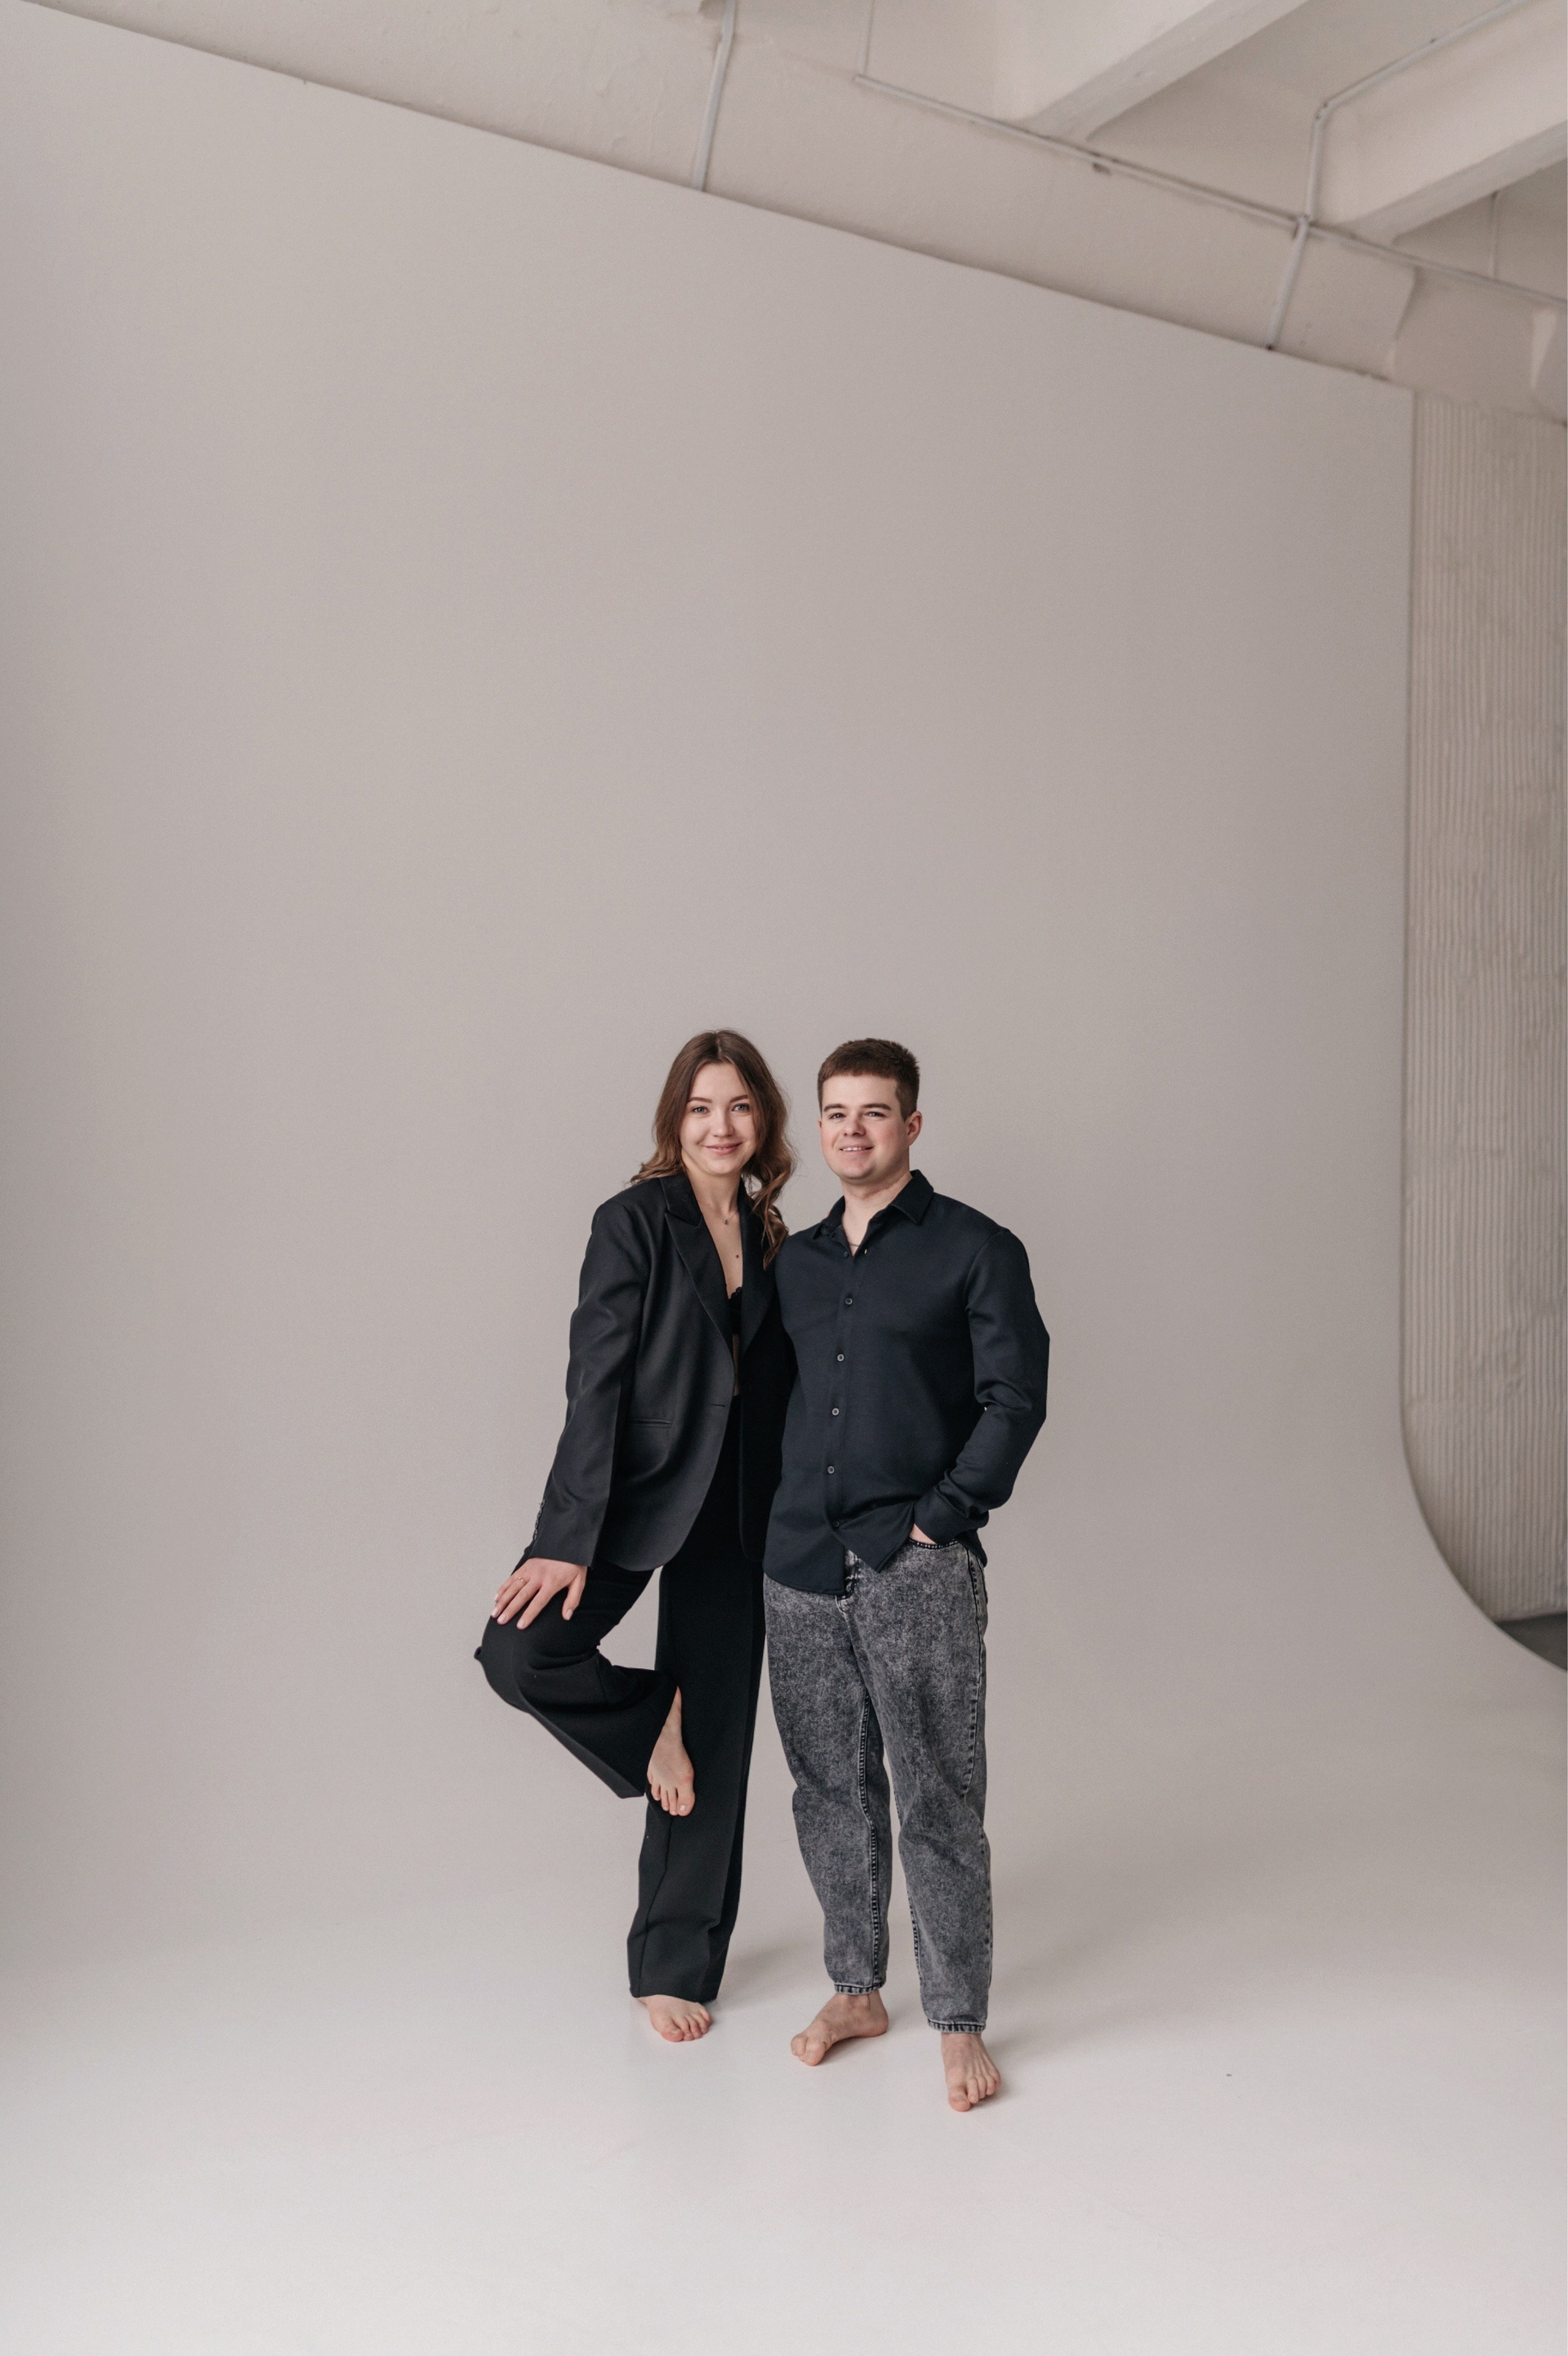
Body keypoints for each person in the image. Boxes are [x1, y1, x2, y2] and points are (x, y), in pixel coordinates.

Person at [477, 1031, 795, 2042]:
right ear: (674, 1120)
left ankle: (674, 1964)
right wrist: (564, 1533)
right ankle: (651, 1714)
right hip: (637, 1491)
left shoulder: (773, 1233)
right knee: (521, 1653)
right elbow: (597, 1378)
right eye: (701, 1107)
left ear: (763, 1119)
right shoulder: (633, 1221)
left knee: (719, 1743)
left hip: (742, 1505)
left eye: (739, 1106)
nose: (720, 1125)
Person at [763, 1039, 1049, 2111]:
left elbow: (1015, 1396)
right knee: (827, 1790)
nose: (853, 1130)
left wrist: (943, 1517)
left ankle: (959, 2019)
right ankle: (856, 1989)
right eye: (837, 1113)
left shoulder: (977, 1247)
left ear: (912, 1124)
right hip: (799, 1562)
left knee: (938, 1794)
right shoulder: (795, 1263)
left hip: (914, 1566)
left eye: (874, 1112)